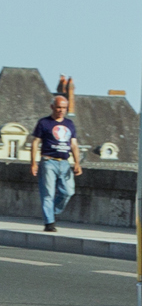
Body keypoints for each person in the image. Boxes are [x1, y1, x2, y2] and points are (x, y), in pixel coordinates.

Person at [28, 94, 80, 232]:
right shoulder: (44, 123)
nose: (61, 110)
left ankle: (52, 211)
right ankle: (49, 223)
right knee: (48, 194)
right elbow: (35, 143)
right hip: (48, 161)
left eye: (64, 108)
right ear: (52, 107)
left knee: (68, 191)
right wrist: (33, 163)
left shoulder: (69, 124)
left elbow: (74, 144)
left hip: (64, 162)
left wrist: (77, 162)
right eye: (58, 107)